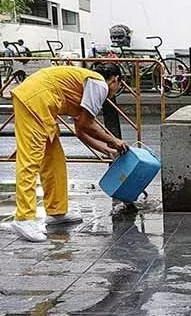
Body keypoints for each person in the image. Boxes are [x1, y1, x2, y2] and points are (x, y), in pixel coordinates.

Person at [10, 63, 128, 243]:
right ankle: (24, 218)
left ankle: (56, 212)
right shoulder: (99, 85)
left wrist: (106, 150)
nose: (116, 91)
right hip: (35, 101)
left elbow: (80, 129)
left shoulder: (87, 85)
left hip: (43, 104)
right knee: (30, 160)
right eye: (119, 86)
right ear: (115, 80)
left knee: (54, 160)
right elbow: (86, 125)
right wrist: (114, 141)